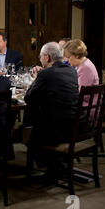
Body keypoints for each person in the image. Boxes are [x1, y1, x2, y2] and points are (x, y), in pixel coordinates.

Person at [24, 42, 79, 175]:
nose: (40, 58)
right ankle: (55, 163)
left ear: (47, 57)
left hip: (56, 130)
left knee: (28, 130)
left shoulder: (45, 74)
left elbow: (28, 98)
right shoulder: (72, 70)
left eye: (40, 56)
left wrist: (37, 79)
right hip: (74, 125)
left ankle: (51, 167)